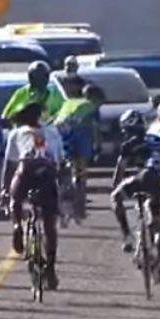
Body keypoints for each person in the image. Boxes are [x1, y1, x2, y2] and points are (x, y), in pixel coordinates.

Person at [1, 102, 63, 289]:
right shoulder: (52, 132)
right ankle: (50, 269)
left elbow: (9, 165)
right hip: (47, 172)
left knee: (15, 199)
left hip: (25, 170)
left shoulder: (16, 133)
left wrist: (5, 189)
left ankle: (17, 226)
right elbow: (59, 159)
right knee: (49, 223)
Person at [109, 110, 160, 253]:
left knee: (115, 197)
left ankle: (127, 235)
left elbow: (120, 169)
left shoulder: (129, 144)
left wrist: (116, 185)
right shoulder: (156, 139)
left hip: (143, 178)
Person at [53, 82, 104, 220]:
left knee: (62, 171)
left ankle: (60, 200)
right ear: (95, 98)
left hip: (60, 136)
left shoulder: (68, 103)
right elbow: (95, 128)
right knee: (81, 173)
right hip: (79, 138)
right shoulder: (92, 107)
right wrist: (98, 146)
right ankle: (79, 208)